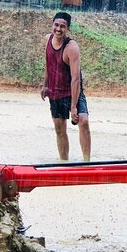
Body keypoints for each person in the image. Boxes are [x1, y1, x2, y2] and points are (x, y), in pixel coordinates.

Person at [41, 12, 91, 161]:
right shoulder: (47, 40)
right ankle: (64, 162)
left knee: (83, 120)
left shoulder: (71, 47)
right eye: (56, 25)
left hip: (72, 91)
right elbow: (48, 63)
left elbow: (76, 79)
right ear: (52, 25)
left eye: (63, 26)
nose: (58, 29)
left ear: (67, 29)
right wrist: (45, 85)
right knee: (59, 128)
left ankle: (87, 162)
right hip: (55, 91)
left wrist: (74, 106)